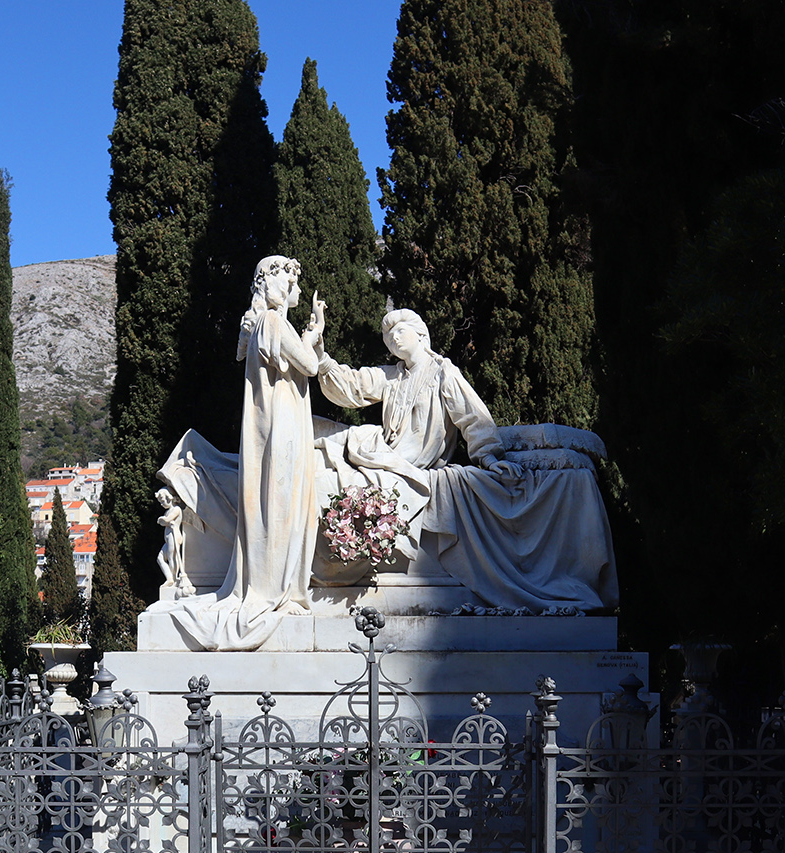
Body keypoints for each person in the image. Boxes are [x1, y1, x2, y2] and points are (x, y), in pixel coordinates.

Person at [165, 256, 324, 650]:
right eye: (287, 283)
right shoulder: (272, 322)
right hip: (282, 425)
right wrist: (315, 332)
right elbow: (309, 365)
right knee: (281, 506)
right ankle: (276, 590)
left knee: (277, 505)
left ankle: (278, 585)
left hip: (274, 424)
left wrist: (309, 335)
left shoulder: (259, 324)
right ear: (268, 285)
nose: (293, 291)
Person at [316, 308, 521, 494]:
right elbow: (353, 385)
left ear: (420, 334)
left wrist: (489, 457)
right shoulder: (391, 376)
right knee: (316, 430)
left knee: (328, 452)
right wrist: (322, 359)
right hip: (380, 449)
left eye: (400, 331)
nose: (394, 338)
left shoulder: (442, 372)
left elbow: (472, 416)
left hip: (408, 463)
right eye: (389, 338)